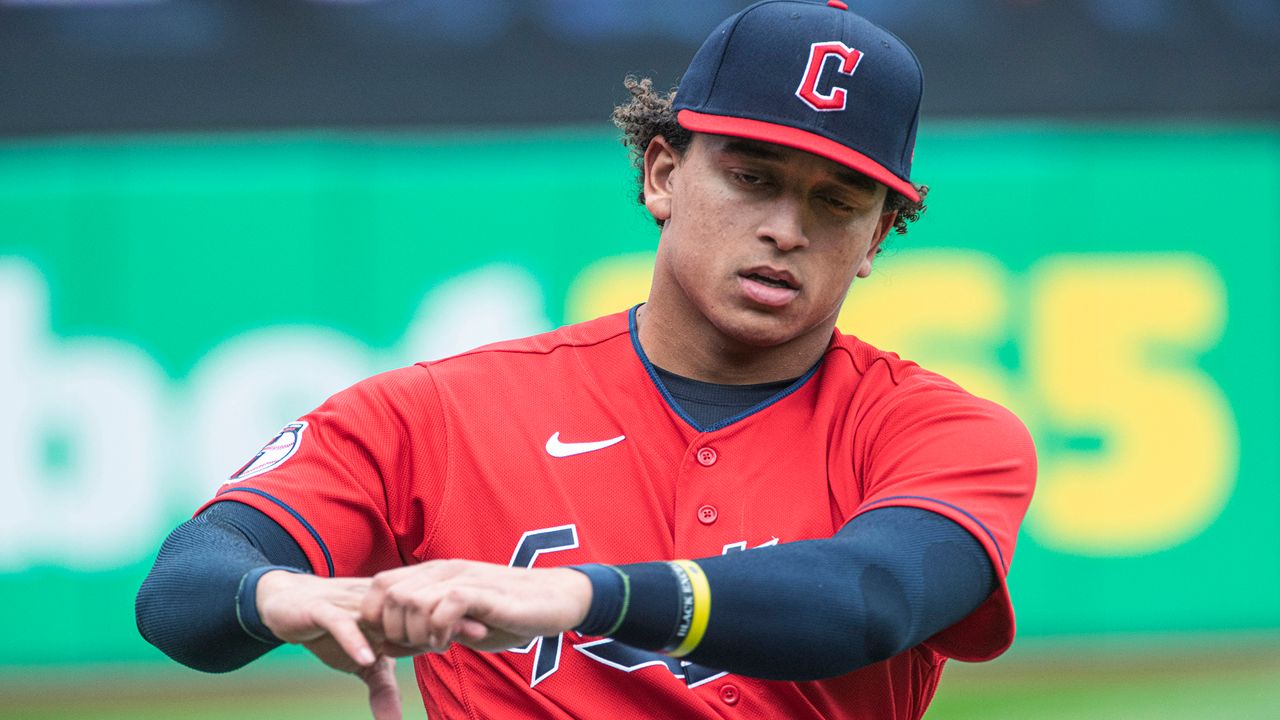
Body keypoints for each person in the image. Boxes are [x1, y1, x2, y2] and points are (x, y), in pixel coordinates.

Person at [136, 1, 1035, 718]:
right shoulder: (444, 413)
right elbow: (185, 589)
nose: (785, 229)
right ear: (661, 176)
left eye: (836, 202)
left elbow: (871, 599)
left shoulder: (944, 434)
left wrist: (577, 596)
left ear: (877, 236)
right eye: (751, 176)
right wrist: (275, 596)